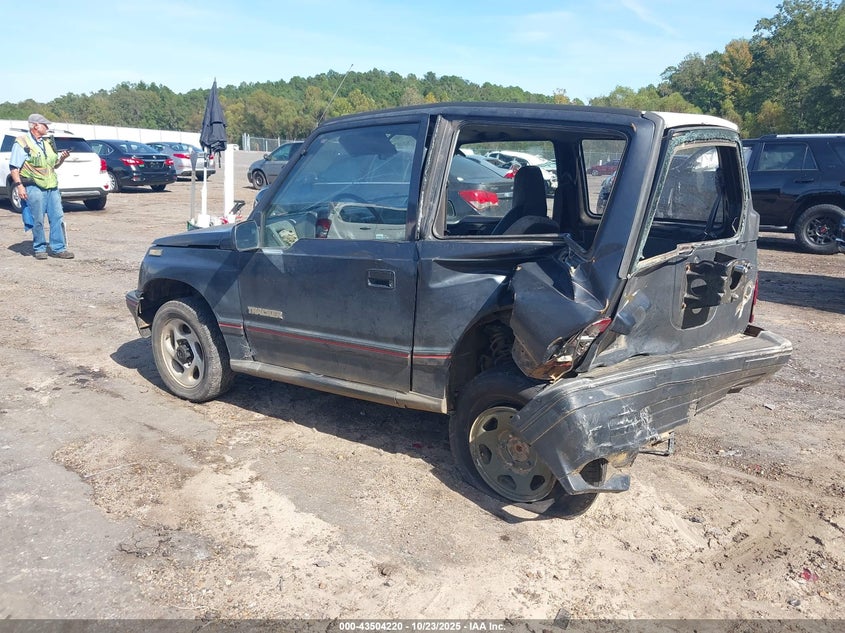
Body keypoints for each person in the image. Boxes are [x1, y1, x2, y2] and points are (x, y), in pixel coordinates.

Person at [9, 114, 74, 259]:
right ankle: (39, 248)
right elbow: (14, 168)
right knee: (37, 218)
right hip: (34, 186)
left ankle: (59, 248)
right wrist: (19, 186)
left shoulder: (46, 143)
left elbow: (53, 165)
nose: (47, 127)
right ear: (35, 126)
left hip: (52, 187)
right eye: (45, 125)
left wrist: (62, 158)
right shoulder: (22, 143)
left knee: (57, 217)